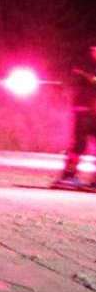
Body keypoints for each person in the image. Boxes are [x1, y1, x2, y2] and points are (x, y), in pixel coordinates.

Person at [52, 46, 96, 189]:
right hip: (85, 110)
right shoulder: (85, 64)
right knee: (79, 144)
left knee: (82, 144)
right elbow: (86, 79)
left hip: (91, 110)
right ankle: (68, 176)